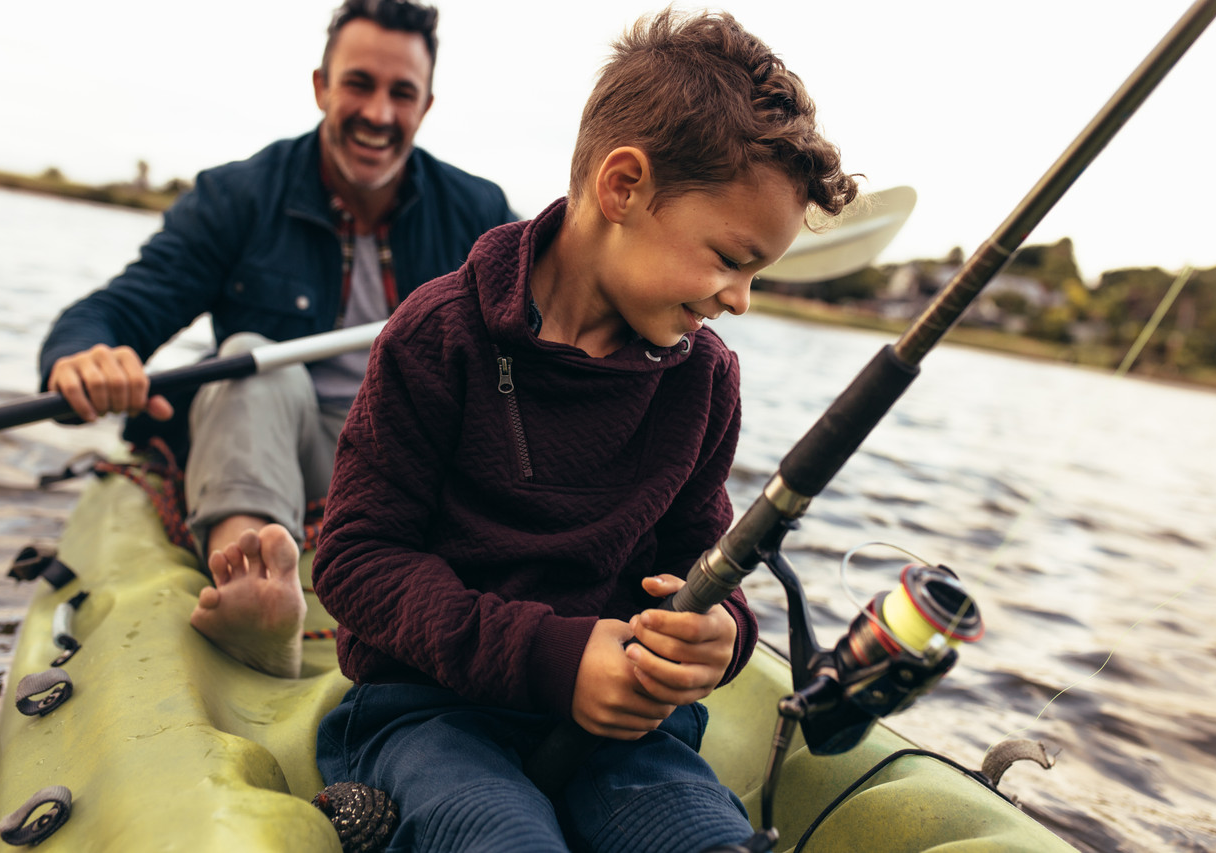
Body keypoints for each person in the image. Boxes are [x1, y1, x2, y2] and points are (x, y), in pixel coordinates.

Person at [306, 9, 859, 852]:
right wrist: (555, 661)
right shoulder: (436, 334)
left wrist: (722, 636)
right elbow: (355, 560)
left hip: (626, 739)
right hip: (428, 714)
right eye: (729, 258)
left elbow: (700, 559)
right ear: (624, 187)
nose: (740, 299)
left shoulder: (705, 380)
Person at [38, 0, 515, 679]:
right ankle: (256, 579)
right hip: (283, 450)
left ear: (426, 106)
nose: (378, 113)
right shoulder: (239, 198)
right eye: (358, 84)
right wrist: (82, 357)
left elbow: (556, 312)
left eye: (400, 93)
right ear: (321, 86)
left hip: (411, 459)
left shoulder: (479, 213)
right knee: (250, 357)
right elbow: (116, 311)